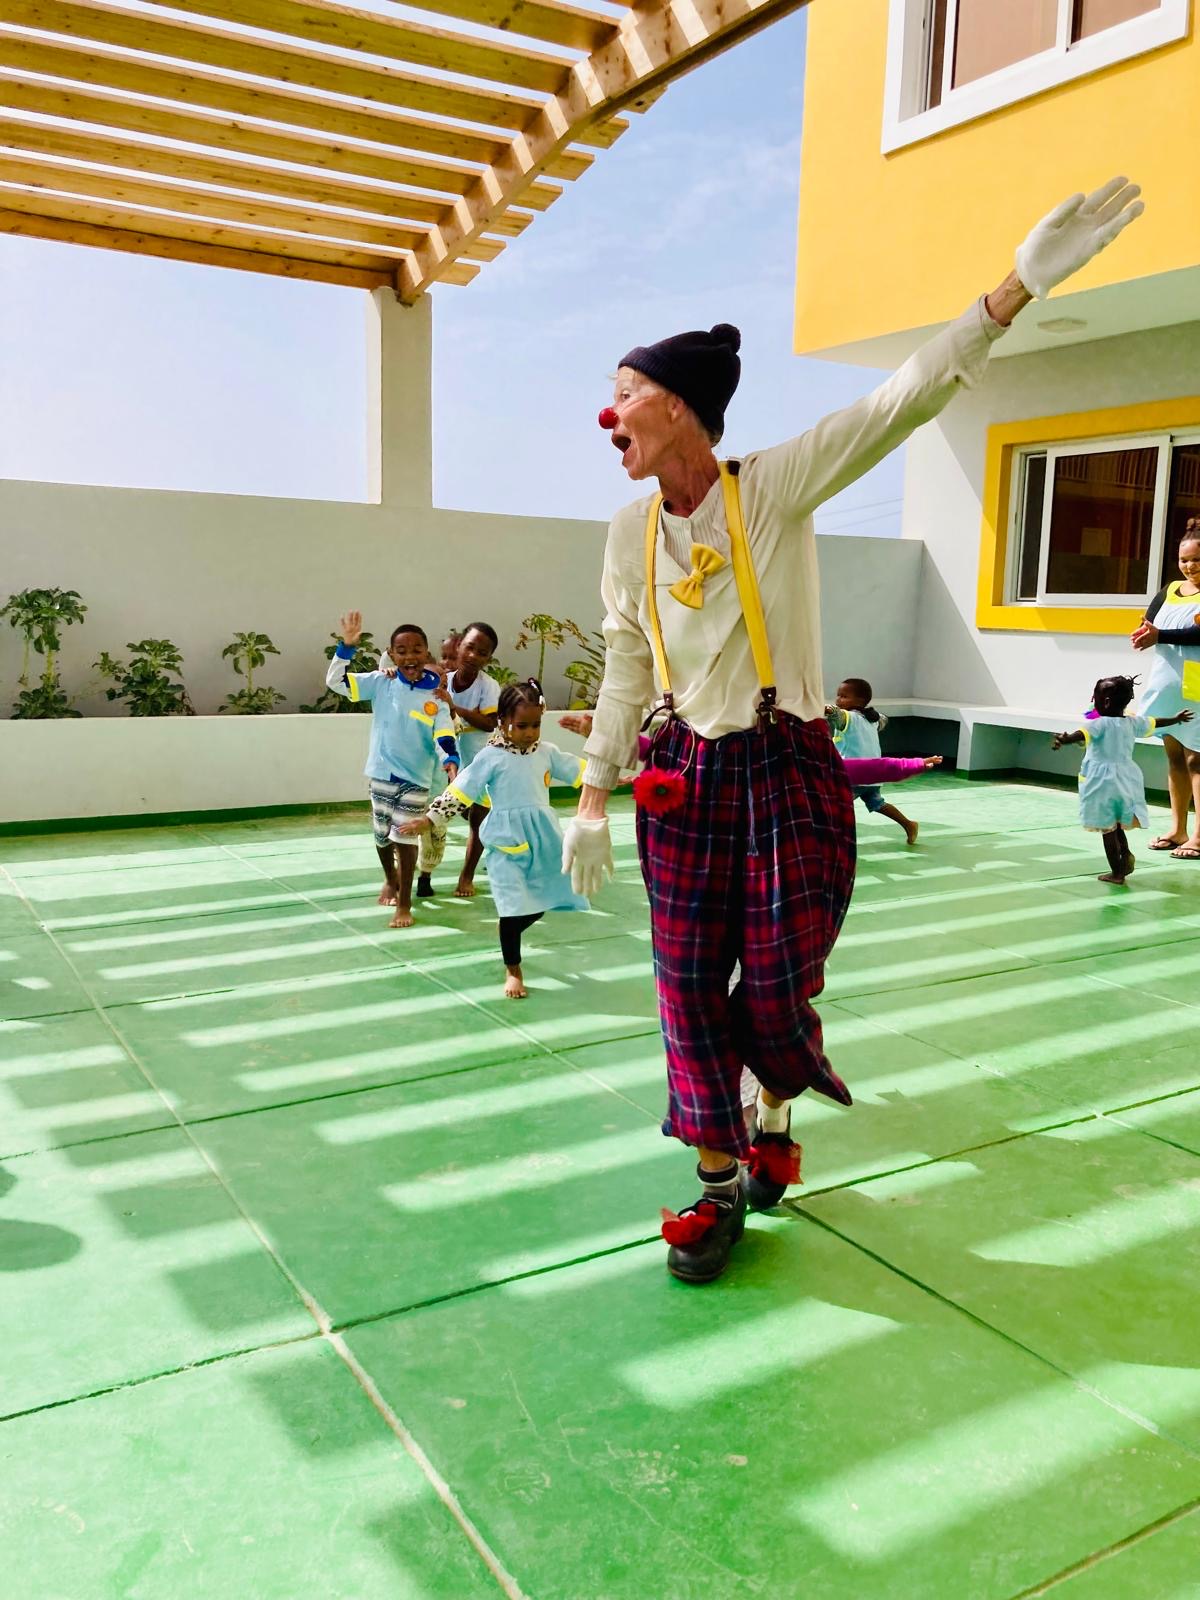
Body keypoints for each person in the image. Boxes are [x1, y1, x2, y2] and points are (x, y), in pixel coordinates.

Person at [559, 177, 1145, 1284]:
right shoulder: (628, 530)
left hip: (785, 767)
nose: (608, 417)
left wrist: (1017, 287)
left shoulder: (774, 486)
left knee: (780, 982)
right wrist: (592, 796)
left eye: (623, 395)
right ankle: (716, 1185)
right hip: (682, 776)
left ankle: (775, 1108)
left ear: (677, 406)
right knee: (685, 987)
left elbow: (898, 403)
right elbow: (629, 660)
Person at [400, 679, 588, 998]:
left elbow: (580, 771)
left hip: (544, 838)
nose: (530, 732)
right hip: (505, 841)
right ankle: (513, 969)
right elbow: (461, 790)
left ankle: (509, 927)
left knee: (543, 900)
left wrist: (611, 778)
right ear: (502, 721)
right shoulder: (491, 757)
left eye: (535, 725)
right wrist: (430, 819)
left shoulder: (547, 753)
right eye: (522, 725)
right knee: (512, 908)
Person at [326, 611, 458, 928]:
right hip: (381, 773)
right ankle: (390, 878)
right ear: (392, 654)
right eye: (402, 651)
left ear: (426, 653)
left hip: (415, 779)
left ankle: (405, 903)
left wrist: (450, 760)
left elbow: (443, 733)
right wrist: (347, 646)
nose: (410, 656)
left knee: (406, 838)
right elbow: (336, 682)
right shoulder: (381, 683)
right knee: (382, 834)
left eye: (416, 650)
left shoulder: (436, 696)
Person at [1052, 674, 1192, 884]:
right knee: (1116, 823)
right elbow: (1155, 722)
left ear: (1106, 702)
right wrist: (1176, 719)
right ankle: (1125, 854)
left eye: (1095, 698)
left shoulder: (1098, 724)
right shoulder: (1132, 722)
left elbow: (1079, 735)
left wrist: (1065, 739)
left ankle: (1116, 872)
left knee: (1106, 828)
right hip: (1126, 778)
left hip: (1101, 782)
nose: (1093, 702)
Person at [1130, 523, 1200, 859]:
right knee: (1174, 756)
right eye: (1184, 560)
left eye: (1197, 560)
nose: (1190, 566)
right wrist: (1143, 634)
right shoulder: (1169, 590)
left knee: (1197, 759)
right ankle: (1178, 829)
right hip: (1167, 685)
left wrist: (1161, 636)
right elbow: (1150, 623)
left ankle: (1199, 836)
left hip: (1197, 688)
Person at [438, 623, 502, 899]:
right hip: (454, 764)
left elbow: (489, 722)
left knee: (477, 820)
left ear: (489, 658)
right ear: (459, 646)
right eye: (470, 647)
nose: (474, 656)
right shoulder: (444, 681)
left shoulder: (488, 686)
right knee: (459, 813)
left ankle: (467, 876)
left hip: (484, 765)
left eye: (483, 653)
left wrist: (456, 709)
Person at [827, 677, 921, 844]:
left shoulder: (848, 717)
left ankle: (835, 840)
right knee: (877, 803)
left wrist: (822, 708)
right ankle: (908, 824)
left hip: (854, 776)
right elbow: (883, 719)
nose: (838, 699)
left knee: (833, 805)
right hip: (873, 776)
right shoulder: (872, 719)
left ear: (860, 700)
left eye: (844, 696)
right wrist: (874, 714)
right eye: (838, 695)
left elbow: (835, 714)